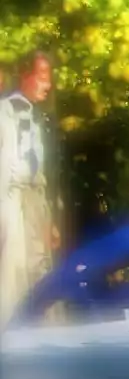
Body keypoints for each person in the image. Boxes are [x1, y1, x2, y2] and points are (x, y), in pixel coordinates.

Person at [0, 50, 56, 326]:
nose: (47, 85)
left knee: (38, 269)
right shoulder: (7, 113)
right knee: (13, 273)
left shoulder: (32, 117)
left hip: (31, 205)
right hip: (12, 203)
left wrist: (47, 219)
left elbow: (38, 175)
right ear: (25, 75)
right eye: (42, 77)